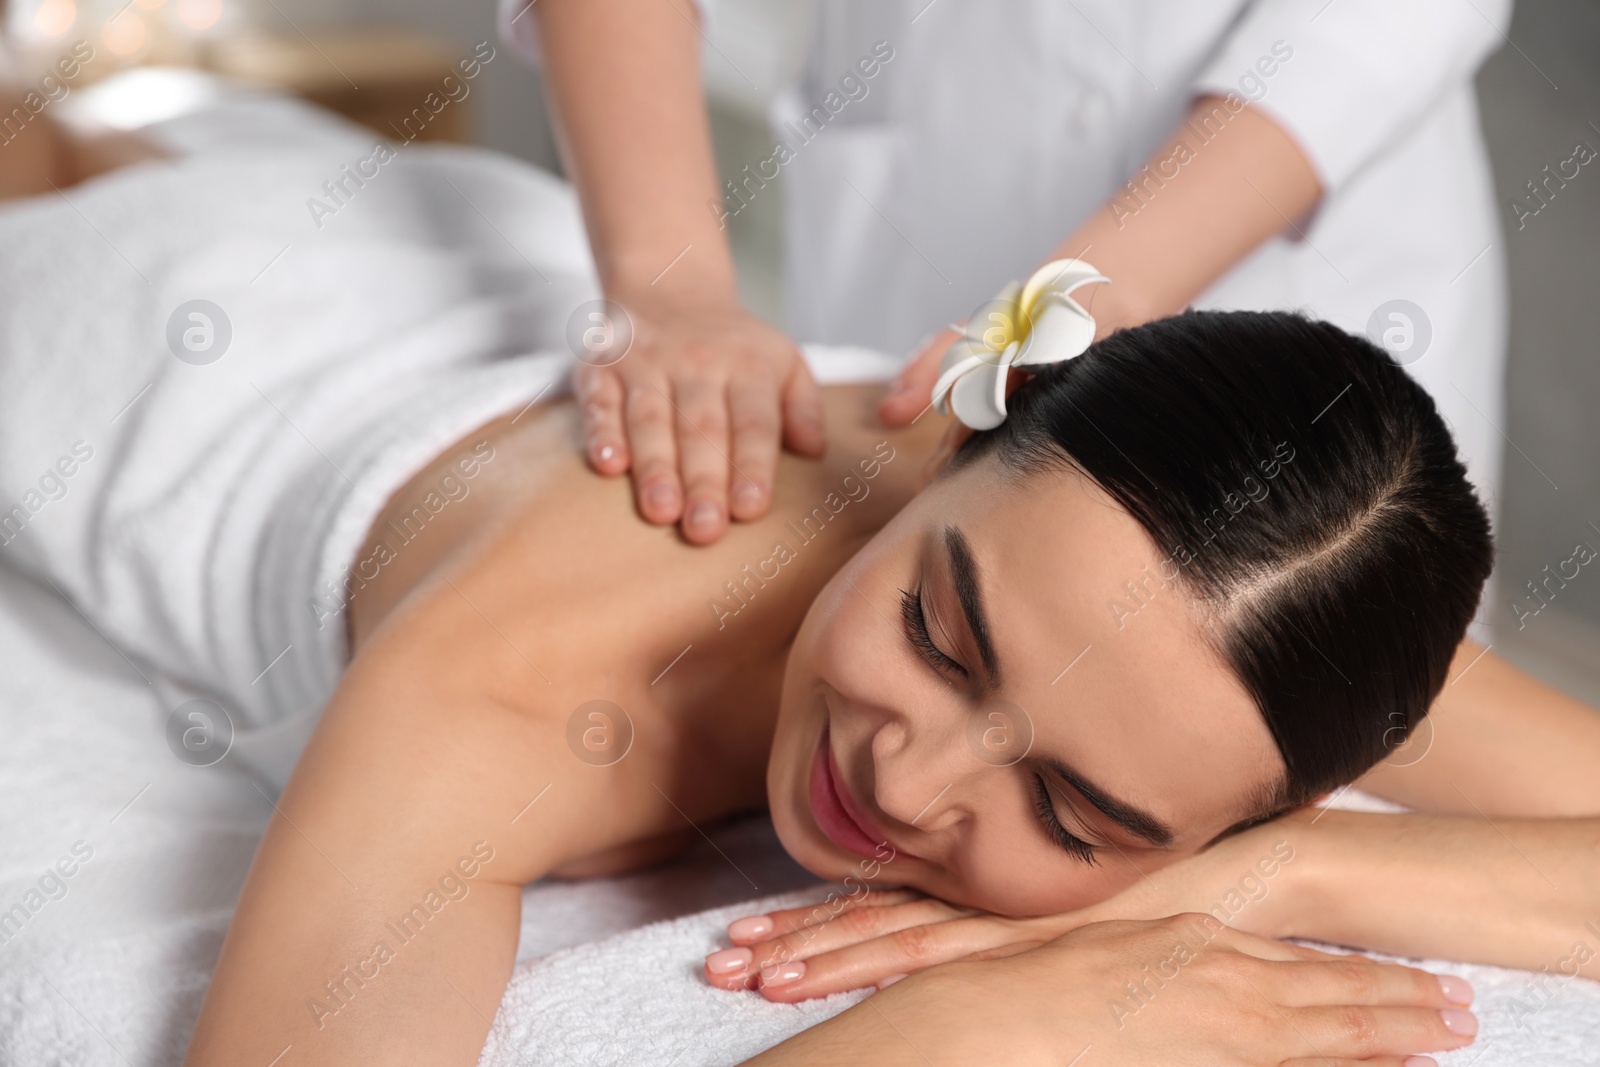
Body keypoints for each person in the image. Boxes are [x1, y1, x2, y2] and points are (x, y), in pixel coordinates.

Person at [5, 80, 1596, 1067]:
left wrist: (1269, 881)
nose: (907, 778)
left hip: (473, 269)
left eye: (1077, 814)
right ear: (962, 442)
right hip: (166, 347)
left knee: (174, 126)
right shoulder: (522, 689)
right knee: (67, 162)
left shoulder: (1216, 610)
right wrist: (957, 1032)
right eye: (938, 632)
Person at [510, 0, 1511, 567]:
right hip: (918, 252)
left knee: (1328, 713)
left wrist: (1090, 291)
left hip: (1305, 241)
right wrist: (667, 282)